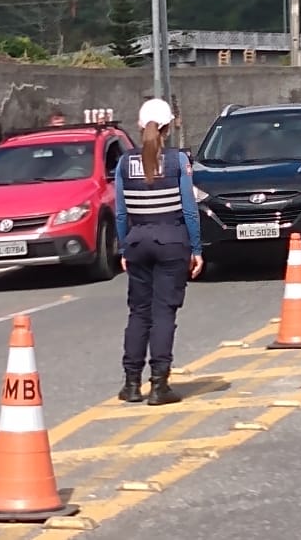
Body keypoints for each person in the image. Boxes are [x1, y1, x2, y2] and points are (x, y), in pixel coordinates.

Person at [114, 98, 203, 406]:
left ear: (140, 126)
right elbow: (190, 211)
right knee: (164, 312)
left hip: (138, 242)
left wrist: (124, 246)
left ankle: (131, 383)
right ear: (167, 127)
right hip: (172, 242)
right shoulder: (178, 160)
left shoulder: (125, 163)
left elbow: (121, 214)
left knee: (139, 312)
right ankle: (159, 384)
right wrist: (196, 248)